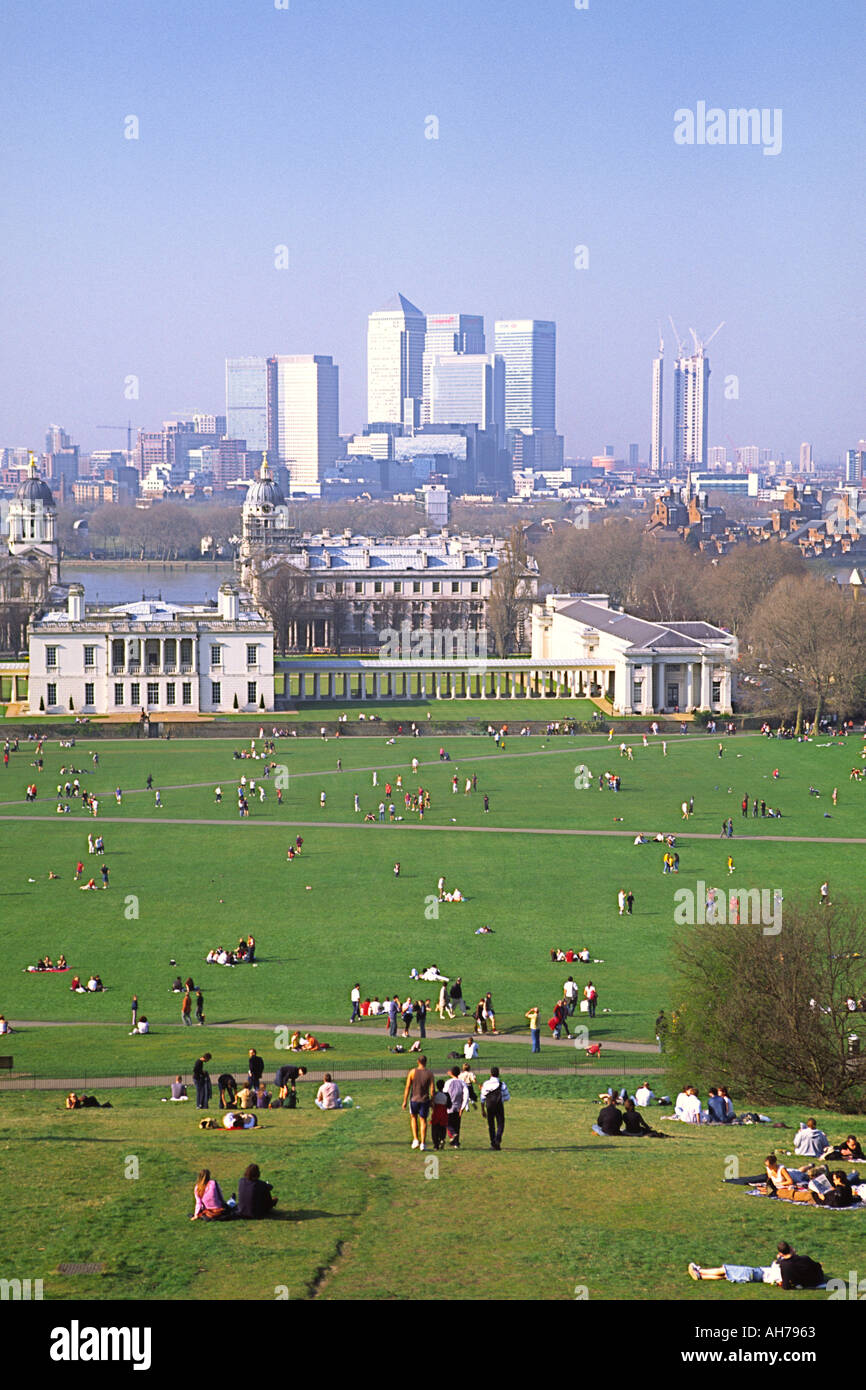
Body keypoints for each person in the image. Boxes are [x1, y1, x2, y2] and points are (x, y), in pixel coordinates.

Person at [688, 1242, 825, 1288]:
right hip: (761, 1275)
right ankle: (701, 1276)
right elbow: (816, 1266)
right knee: (726, 1276)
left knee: (725, 1269)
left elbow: (785, 1286)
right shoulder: (803, 1261)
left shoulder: (785, 1266)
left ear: (781, 1253)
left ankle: (700, 1270)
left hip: (758, 1274)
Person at [402, 1054, 435, 1149]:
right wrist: (432, 1101)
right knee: (423, 1120)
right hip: (424, 1100)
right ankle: (423, 1143)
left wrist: (404, 1100)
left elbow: (407, 1087)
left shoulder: (412, 1072)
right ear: (426, 1062)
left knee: (413, 1118)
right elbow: (432, 1089)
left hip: (414, 1099)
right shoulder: (429, 1073)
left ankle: (416, 1139)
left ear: (418, 1061)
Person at [480, 1066, 510, 1150]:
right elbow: (507, 1097)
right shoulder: (502, 1084)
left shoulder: (486, 1084)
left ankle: (493, 1143)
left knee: (491, 1124)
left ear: (490, 1074)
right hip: (499, 1105)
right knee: (501, 1123)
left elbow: (482, 1098)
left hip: (489, 1106)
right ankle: (498, 1139)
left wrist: (482, 1109)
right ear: (498, 1074)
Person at [444, 1066, 469, 1148]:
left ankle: (453, 1134)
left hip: (449, 1106)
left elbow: (445, 1093)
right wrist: (462, 1107)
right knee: (457, 1124)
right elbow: (466, 1095)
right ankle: (456, 1143)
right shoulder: (462, 1083)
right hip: (458, 1107)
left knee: (448, 1123)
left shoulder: (448, 1082)